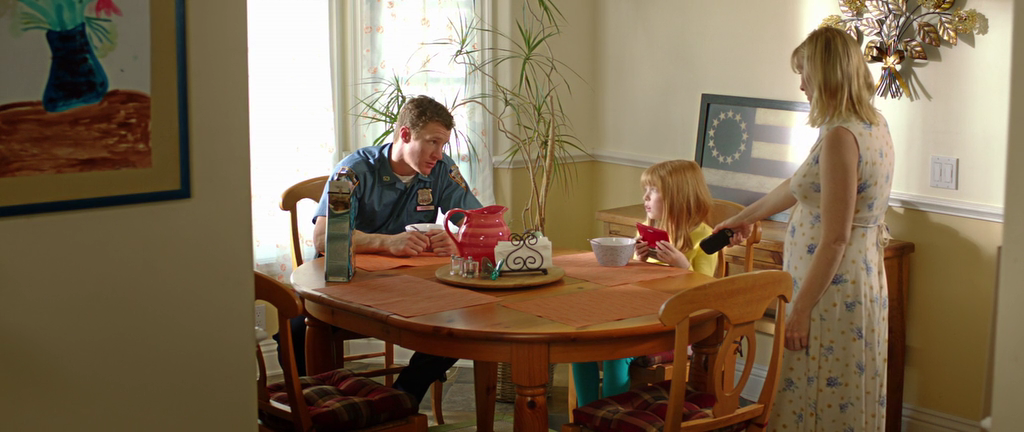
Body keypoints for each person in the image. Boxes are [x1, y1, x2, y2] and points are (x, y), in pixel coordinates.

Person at [714, 27, 894, 431]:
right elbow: (798, 185)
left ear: (826, 75)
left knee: (819, 391)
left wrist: (801, 311)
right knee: (842, 392)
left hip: (830, 290)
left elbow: (835, 239)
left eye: (805, 74)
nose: (801, 85)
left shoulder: (841, 137)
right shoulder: (869, 123)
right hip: (856, 279)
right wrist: (746, 216)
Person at [286, 95, 483, 404]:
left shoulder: (442, 169)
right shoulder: (353, 171)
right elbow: (324, 238)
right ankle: (313, 410)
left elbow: (478, 225)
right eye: (432, 142)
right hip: (349, 286)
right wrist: (387, 243)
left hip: (412, 286)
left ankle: (403, 398)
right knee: (294, 329)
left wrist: (456, 238)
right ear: (405, 134)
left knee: (464, 324)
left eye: (443, 144)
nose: (439, 153)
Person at [571, 159, 718, 406]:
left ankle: (611, 416)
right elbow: (634, 282)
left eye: (653, 190)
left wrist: (683, 266)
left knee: (615, 355)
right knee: (581, 348)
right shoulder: (650, 230)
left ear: (678, 196)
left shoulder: (704, 238)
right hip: (639, 316)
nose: (645, 197)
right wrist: (638, 259)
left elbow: (706, 295)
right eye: (645, 190)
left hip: (678, 327)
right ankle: (587, 415)